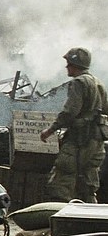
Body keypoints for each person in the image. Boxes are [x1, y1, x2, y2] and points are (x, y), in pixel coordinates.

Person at [40, 47, 108, 203]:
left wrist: (50, 130)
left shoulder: (78, 82)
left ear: (75, 64)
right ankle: (90, 215)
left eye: (69, 63)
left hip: (78, 142)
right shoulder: (99, 84)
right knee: (88, 187)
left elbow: (70, 112)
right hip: (96, 143)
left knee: (61, 183)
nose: (66, 67)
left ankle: (60, 215)